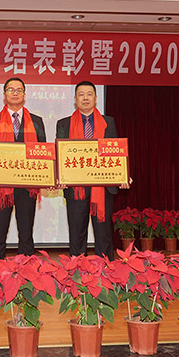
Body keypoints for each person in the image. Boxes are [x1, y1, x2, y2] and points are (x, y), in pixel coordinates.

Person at [56, 80, 130, 260]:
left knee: (103, 232)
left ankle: (105, 268)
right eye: (81, 94)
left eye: (89, 94)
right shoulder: (64, 123)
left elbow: (114, 151)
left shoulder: (108, 122)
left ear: (96, 98)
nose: (85, 98)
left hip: (102, 186)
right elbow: (60, 154)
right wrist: (59, 176)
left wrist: (123, 175)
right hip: (75, 187)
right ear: (75, 99)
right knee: (76, 231)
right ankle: (77, 268)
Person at [0, 77, 46, 260]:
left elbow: (42, 152)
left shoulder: (37, 121)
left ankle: (26, 266)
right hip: (1, 185)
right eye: (11, 90)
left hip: (27, 184)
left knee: (26, 231)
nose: (15, 93)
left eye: (19, 90)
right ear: (4, 94)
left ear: (24, 94)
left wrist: (46, 176)